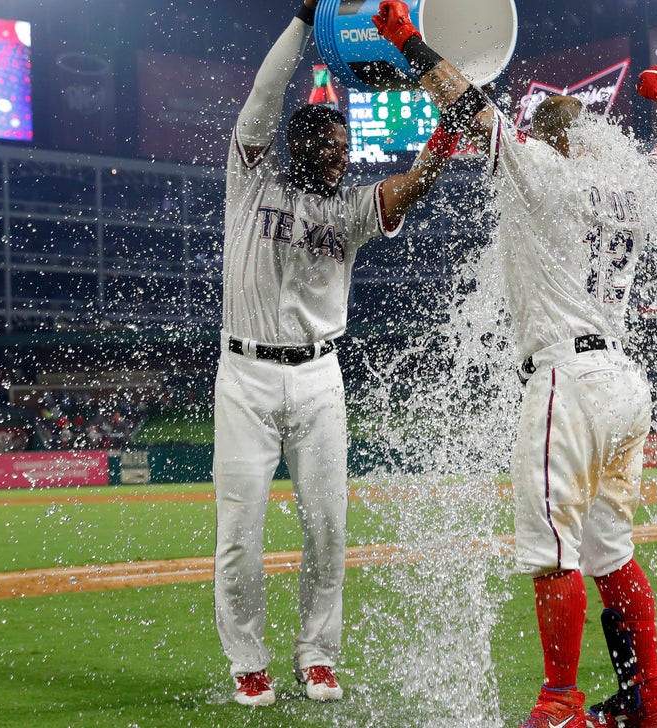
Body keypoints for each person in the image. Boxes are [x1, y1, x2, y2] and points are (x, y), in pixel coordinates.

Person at [372, 3, 657, 725]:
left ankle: (559, 704)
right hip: (624, 388)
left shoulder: (541, 172)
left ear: (545, 139)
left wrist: (407, 39)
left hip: (566, 382)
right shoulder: (633, 189)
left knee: (553, 552)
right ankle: (654, 698)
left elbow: (470, 106)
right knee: (612, 554)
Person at [213, 0, 453, 707]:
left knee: (327, 528)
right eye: (329, 147)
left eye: (346, 149)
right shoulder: (251, 182)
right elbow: (262, 99)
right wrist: (299, 18)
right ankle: (247, 660)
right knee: (239, 536)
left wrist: (446, 136)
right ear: (300, 147)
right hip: (246, 375)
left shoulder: (349, 209)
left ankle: (317, 655)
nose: (342, 156)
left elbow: (410, 187)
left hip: (319, 377)